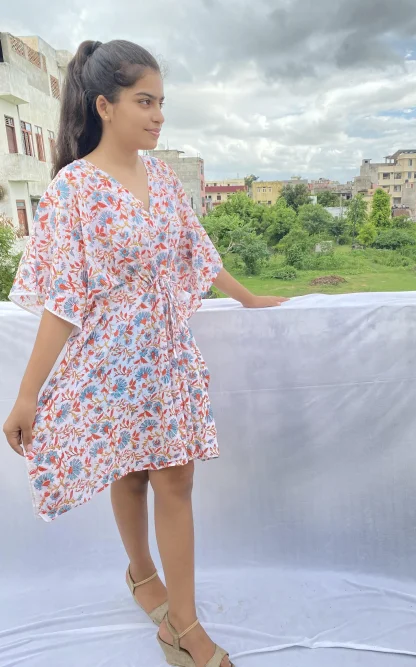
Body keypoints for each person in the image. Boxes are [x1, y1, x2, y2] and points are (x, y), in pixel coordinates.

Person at [2, 39, 288, 667]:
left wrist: (246, 297)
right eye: (144, 102)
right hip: (109, 359)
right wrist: (27, 396)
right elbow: (62, 299)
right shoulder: (73, 189)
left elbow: (195, 248)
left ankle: (181, 624)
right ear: (104, 106)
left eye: (161, 103)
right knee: (129, 472)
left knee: (176, 478)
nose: (158, 116)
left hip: (165, 354)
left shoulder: (160, 177)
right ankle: (141, 574)